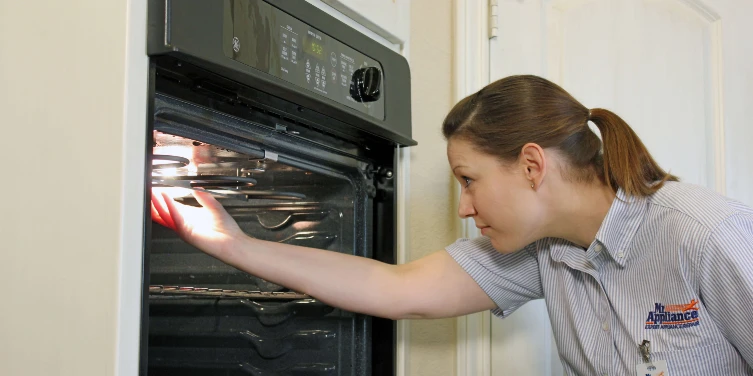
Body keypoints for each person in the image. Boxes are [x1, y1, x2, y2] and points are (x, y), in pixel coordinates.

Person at [151, 75, 753, 375]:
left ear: (532, 165)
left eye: (469, 180)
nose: (464, 207)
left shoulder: (703, 234)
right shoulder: (541, 251)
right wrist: (233, 244)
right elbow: (396, 290)